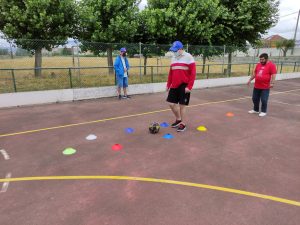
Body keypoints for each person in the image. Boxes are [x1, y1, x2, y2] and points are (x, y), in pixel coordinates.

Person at [166, 41, 196, 132]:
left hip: (184, 85)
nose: (174, 52)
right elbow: (171, 73)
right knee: (171, 104)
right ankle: (178, 119)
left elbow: (193, 73)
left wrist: (189, 87)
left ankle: (183, 123)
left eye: (175, 50)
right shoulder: (173, 58)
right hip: (174, 84)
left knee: (182, 105)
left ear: (181, 49)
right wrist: (168, 84)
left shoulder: (188, 57)